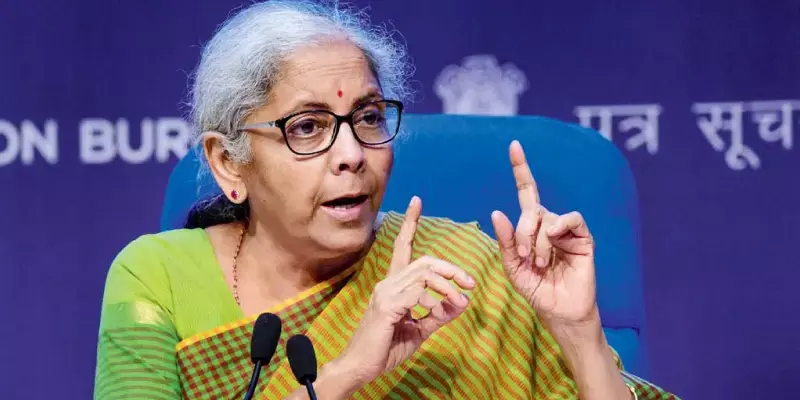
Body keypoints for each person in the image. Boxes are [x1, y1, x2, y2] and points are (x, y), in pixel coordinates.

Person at [94, 1, 678, 399]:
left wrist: (579, 332)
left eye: (369, 118)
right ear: (228, 162)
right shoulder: (156, 278)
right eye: (307, 127)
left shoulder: (460, 271)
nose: (352, 154)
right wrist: (349, 371)